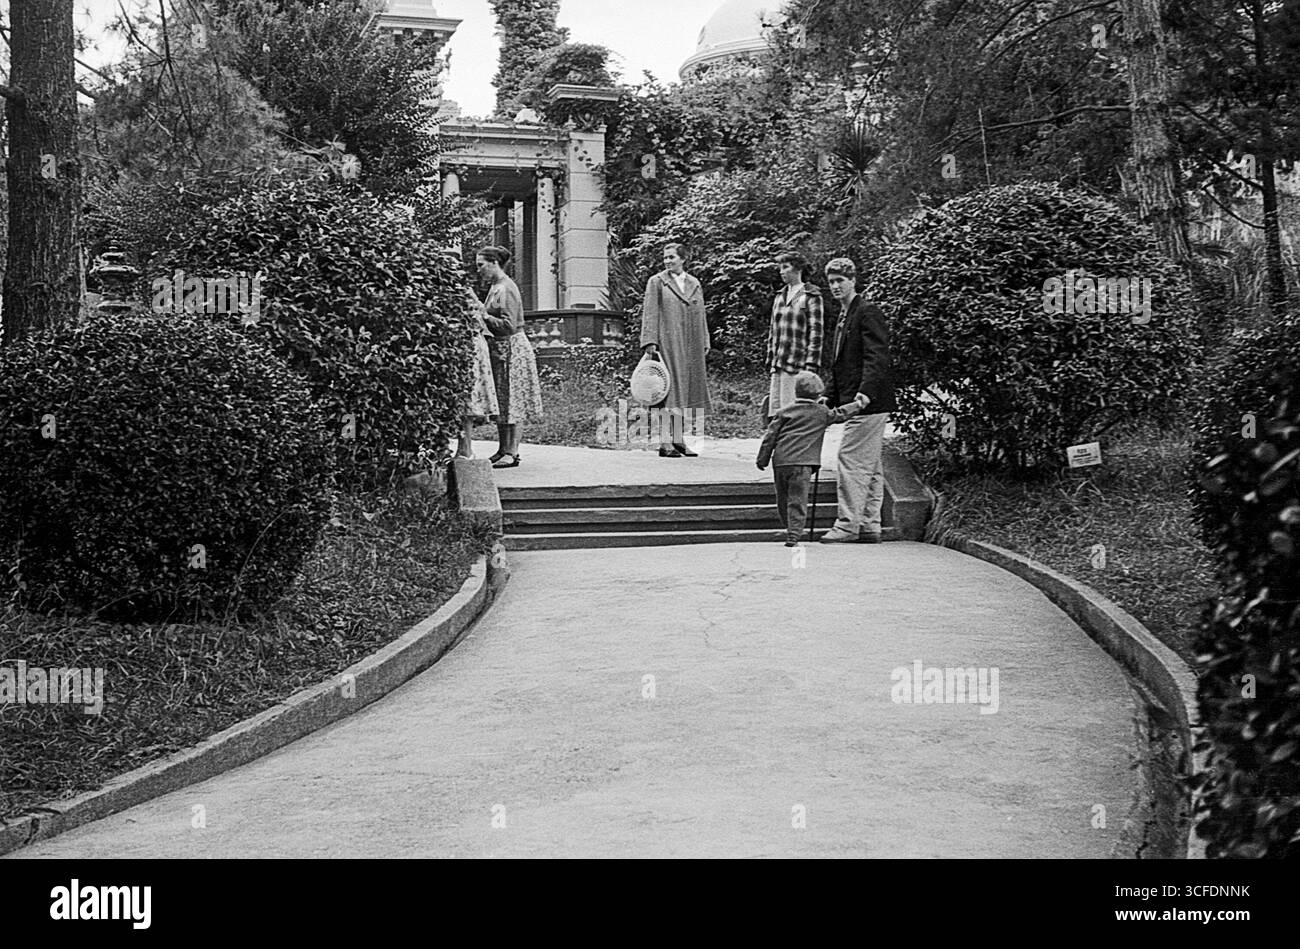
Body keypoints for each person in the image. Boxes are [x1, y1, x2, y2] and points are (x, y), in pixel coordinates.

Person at [818, 257, 897, 544]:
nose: (836, 286)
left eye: (841, 280)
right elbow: (843, 363)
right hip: (860, 398)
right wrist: (829, 395)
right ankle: (868, 525)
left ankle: (847, 525)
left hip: (868, 401)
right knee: (871, 466)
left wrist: (864, 394)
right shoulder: (844, 315)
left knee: (849, 459)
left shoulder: (867, 311)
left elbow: (877, 357)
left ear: (853, 280)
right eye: (831, 282)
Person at [757, 371, 869, 546]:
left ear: (795, 391)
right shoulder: (822, 412)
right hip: (804, 464)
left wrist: (762, 459)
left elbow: (770, 437)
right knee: (798, 498)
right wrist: (858, 405)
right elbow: (840, 414)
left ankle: (788, 526)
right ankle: (794, 533)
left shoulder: (784, 412)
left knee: (783, 497)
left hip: (781, 462)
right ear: (818, 394)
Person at [641, 242, 711, 457]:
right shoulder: (657, 282)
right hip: (668, 343)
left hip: (692, 345)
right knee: (667, 391)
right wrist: (650, 341)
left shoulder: (694, 283)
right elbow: (650, 312)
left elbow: (701, 314)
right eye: (665, 258)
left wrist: (705, 338)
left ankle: (679, 440)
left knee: (686, 392)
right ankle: (665, 443)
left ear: (683, 259)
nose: (668, 261)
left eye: (672, 257)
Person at [477, 245, 543, 469]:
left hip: (513, 348)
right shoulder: (495, 287)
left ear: (494, 263)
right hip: (500, 348)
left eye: (482, 265)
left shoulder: (506, 288)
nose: (480, 270)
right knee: (503, 400)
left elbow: (509, 324)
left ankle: (512, 452)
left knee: (514, 399)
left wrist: (483, 315)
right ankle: (502, 448)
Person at [765, 252, 824, 421]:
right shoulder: (779, 296)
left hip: (797, 364)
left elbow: (816, 332)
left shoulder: (811, 296)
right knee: (775, 414)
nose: (781, 272)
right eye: (780, 268)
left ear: (798, 269)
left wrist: (811, 365)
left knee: (793, 413)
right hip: (779, 363)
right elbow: (773, 329)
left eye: (785, 267)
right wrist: (771, 358)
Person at [457, 287, 499, 459]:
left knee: (468, 400)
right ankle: (463, 448)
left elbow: (477, 320)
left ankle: (465, 449)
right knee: (464, 402)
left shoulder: (465, 294)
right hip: (469, 347)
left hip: (471, 349)